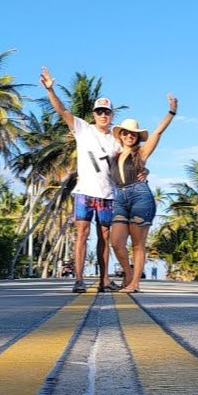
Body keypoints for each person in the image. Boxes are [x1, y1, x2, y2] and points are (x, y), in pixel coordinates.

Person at [40, 67, 119, 293]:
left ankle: (104, 280)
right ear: (93, 114)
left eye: (107, 112)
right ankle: (79, 279)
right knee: (82, 234)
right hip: (84, 192)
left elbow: (128, 161)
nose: (103, 115)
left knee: (104, 236)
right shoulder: (83, 129)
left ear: (111, 115)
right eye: (100, 111)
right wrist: (50, 90)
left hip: (107, 194)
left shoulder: (116, 140)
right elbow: (62, 111)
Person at [109, 93, 177, 293]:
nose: (130, 136)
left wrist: (171, 112)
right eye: (126, 133)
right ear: (120, 135)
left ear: (137, 137)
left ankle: (135, 283)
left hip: (140, 196)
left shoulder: (141, 153)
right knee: (117, 243)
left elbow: (157, 133)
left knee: (138, 244)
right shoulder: (114, 155)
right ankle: (128, 275)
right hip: (119, 197)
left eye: (133, 134)